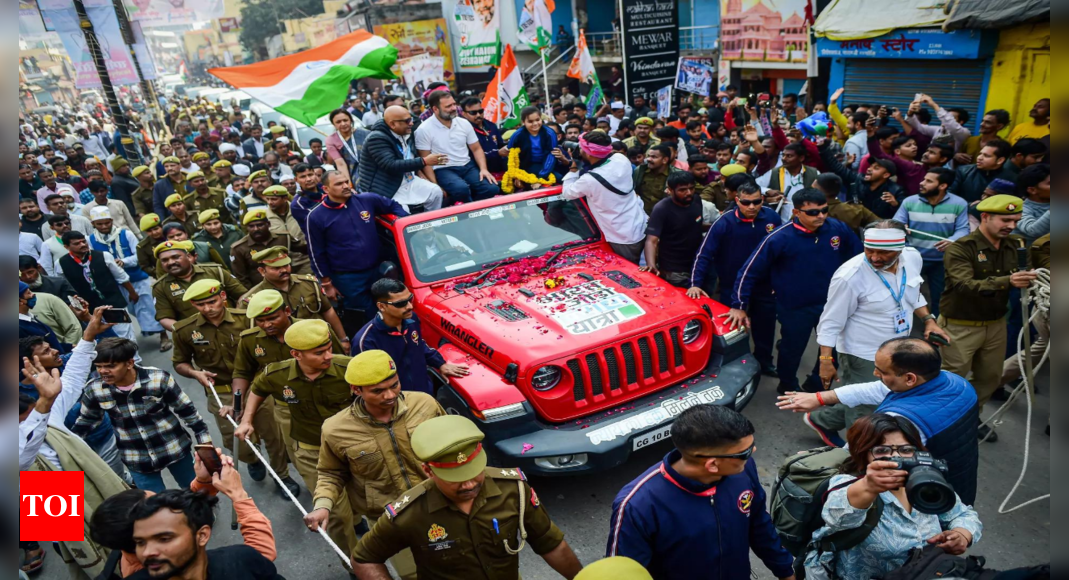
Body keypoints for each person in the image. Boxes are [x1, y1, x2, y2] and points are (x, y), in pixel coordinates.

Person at [350, 415, 584, 579]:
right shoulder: (409, 513)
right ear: (428, 470)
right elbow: (364, 558)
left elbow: (550, 543)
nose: (470, 484)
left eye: (474, 472)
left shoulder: (514, 490)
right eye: (456, 477)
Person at [607, 405, 795, 580]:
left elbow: (759, 524)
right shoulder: (638, 505)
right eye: (744, 452)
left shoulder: (743, 470)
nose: (753, 452)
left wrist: (786, 571)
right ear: (712, 464)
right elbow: (625, 573)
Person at [306, 350, 446, 580]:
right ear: (356, 390)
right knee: (414, 575)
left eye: (394, 385)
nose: (389, 395)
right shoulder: (336, 429)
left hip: (442, 504)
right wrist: (323, 505)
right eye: (378, 391)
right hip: (390, 519)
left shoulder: (425, 404)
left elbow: (453, 446)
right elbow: (331, 473)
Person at [807, 224, 949, 446]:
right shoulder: (849, 276)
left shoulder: (912, 258)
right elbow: (830, 321)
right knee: (867, 408)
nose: (874, 257)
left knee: (882, 395)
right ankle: (858, 456)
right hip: (862, 353)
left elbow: (912, 294)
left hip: (900, 348)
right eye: (869, 250)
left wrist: (929, 320)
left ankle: (822, 419)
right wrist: (825, 359)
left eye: (884, 253)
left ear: (901, 248)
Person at [801, 414, 982, 580]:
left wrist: (962, 535)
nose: (895, 458)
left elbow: (963, 514)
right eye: (881, 451)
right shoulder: (848, 484)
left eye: (905, 450)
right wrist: (868, 486)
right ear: (862, 454)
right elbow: (838, 517)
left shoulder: (925, 481)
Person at [19, 311, 129, 580]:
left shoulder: (47, 415)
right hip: (45, 497)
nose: (36, 420)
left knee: (124, 537)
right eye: (26, 418)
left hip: (90, 483)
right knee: (86, 556)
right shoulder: (30, 427)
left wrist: (90, 334)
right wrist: (43, 406)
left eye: (34, 413)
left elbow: (72, 378)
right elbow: (21, 456)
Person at [237, 319, 360, 556]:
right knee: (333, 512)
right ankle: (354, 563)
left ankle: (355, 520)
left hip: (351, 447)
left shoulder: (349, 369)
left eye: (328, 349)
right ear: (296, 354)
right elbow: (258, 389)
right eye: (319, 353)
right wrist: (246, 420)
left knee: (358, 498)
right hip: (312, 451)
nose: (327, 356)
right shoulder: (277, 374)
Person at [728, 189, 863, 394]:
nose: (821, 216)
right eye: (813, 213)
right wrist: (738, 305)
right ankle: (788, 385)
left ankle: (817, 383)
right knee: (792, 349)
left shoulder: (837, 229)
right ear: (796, 212)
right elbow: (749, 271)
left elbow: (859, 258)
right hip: (795, 307)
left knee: (833, 346)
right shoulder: (779, 238)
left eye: (824, 211)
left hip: (833, 303)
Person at [171, 279, 290, 487]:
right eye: (200, 305)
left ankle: (281, 475)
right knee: (237, 441)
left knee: (273, 435)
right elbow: (179, 363)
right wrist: (195, 373)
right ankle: (253, 459)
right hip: (221, 392)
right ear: (193, 306)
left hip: (258, 387)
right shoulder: (184, 330)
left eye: (212, 302)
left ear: (223, 297)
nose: (208, 309)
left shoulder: (248, 320)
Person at [90, 449, 277, 578]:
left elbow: (177, 511)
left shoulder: (130, 546)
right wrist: (238, 495)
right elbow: (259, 556)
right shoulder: (228, 563)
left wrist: (203, 482)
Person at [939, 195, 1036, 437]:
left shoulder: (1018, 246)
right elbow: (963, 284)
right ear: (985, 216)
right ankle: (939, 422)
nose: (1011, 226)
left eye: (1016, 220)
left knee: (990, 379)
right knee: (950, 379)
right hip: (960, 325)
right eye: (1005, 220)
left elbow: (1029, 275)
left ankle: (970, 418)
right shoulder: (961, 248)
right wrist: (1008, 281)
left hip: (995, 324)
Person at [231, 291, 343, 495]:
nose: (266, 325)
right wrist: (239, 408)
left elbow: (339, 362)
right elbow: (243, 373)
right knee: (296, 449)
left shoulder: (315, 330)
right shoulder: (250, 339)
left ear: (287, 311)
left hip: (324, 399)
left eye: (272, 318)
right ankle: (313, 487)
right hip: (284, 405)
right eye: (261, 320)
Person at [73, 337, 213, 493]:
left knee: (196, 491)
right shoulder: (95, 390)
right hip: (136, 458)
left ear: (129, 363)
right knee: (154, 505)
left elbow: (187, 411)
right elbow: (86, 422)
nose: (103, 371)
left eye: (110, 366)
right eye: (99, 366)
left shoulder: (158, 379)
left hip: (174, 448)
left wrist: (205, 444)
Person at [688, 181, 781, 375]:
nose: (752, 207)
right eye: (746, 202)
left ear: (762, 199)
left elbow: (782, 252)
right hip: (732, 287)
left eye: (756, 202)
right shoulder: (724, 223)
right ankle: (739, 366)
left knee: (766, 327)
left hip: (765, 286)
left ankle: (764, 362)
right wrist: (695, 284)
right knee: (735, 329)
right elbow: (703, 254)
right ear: (737, 200)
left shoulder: (772, 217)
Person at [306, 171, 408, 334]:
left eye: (346, 181)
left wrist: (404, 223)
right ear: (325, 189)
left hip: (377, 270)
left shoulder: (366, 200)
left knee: (390, 308)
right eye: (339, 184)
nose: (346, 186)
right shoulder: (316, 216)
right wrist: (326, 283)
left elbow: (393, 205)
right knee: (365, 317)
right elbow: (316, 252)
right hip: (348, 278)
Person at [124, 489, 283, 580]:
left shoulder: (241, 560)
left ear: (202, 535)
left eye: (164, 539)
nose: (147, 552)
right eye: (140, 542)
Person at [352, 279, 469, 394]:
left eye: (410, 299)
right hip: (397, 403)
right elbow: (370, 385)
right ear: (382, 306)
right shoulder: (365, 341)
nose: (409, 306)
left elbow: (419, 344)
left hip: (425, 393)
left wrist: (440, 364)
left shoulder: (411, 319)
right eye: (400, 303)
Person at [890, 167, 969, 319]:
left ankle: (936, 327)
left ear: (943, 186)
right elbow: (896, 222)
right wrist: (901, 227)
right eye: (924, 179)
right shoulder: (909, 202)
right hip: (912, 259)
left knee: (940, 296)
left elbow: (963, 229)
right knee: (905, 292)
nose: (922, 183)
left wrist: (952, 240)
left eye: (928, 181)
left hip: (941, 260)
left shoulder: (959, 203)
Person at [561, 131, 648, 264]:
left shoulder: (589, 180)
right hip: (640, 224)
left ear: (589, 153)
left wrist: (573, 169)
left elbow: (567, 193)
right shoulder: (621, 159)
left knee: (631, 269)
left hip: (621, 236)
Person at [87, 206, 165, 346]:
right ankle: (145, 330)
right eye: (99, 224)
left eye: (107, 222)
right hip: (115, 284)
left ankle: (163, 335)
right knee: (130, 309)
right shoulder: (91, 240)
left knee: (149, 306)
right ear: (93, 224)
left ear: (111, 221)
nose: (104, 226)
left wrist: (123, 261)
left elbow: (138, 256)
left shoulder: (125, 234)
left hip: (137, 277)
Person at [238, 246, 349, 343]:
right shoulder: (253, 298)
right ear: (262, 271)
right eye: (276, 268)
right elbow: (250, 333)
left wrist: (343, 339)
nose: (284, 270)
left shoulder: (309, 283)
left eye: (286, 265)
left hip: (319, 338)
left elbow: (327, 310)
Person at [414, 91, 500, 203]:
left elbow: (476, 148)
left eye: (454, 104)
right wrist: (435, 185)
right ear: (435, 109)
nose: (454, 108)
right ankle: (470, 214)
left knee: (492, 188)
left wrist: (483, 169)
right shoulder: (423, 130)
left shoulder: (463, 123)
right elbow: (425, 161)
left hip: (467, 166)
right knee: (461, 190)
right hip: (443, 169)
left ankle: (475, 210)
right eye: (448, 106)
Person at [359, 105, 446, 213]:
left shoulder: (405, 132)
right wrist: (424, 161)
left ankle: (431, 224)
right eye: (407, 121)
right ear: (392, 124)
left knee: (435, 192)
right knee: (402, 210)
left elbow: (409, 156)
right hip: (386, 186)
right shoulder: (376, 138)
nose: (411, 123)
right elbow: (390, 165)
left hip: (407, 180)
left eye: (411, 119)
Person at [152, 240, 248, 332]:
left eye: (176, 257)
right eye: (165, 260)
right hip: (198, 337)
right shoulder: (160, 287)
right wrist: (184, 332)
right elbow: (165, 318)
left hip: (233, 326)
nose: (171, 262)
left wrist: (238, 318)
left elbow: (243, 295)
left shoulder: (215, 271)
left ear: (189, 257)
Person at [58, 231, 139, 340]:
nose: (82, 245)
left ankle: (134, 357)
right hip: (89, 308)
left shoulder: (103, 256)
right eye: (77, 243)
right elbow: (64, 287)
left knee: (125, 334)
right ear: (66, 247)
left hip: (114, 302)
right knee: (104, 338)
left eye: (83, 241)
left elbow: (121, 277)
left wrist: (132, 292)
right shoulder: (61, 263)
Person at [640, 172, 704, 287]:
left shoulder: (696, 200)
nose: (688, 193)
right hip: (675, 270)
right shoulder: (662, 209)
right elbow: (651, 241)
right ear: (670, 190)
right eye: (682, 190)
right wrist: (651, 265)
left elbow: (696, 224)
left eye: (691, 188)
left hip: (698, 264)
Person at [818, 139, 904, 219]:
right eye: (870, 166)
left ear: (886, 175)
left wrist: (895, 204)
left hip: (878, 230)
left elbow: (901, 215)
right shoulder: (857, 179)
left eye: (876, 168)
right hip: (853, 224)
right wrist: (823, 149)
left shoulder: (896, 191)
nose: (869, 169)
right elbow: (837, 167)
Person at [230, 209, 312, 288]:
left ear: (268, 224)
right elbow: (241, 278)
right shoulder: (239, 248)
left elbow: (306, 249)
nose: (256, 229)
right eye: (251, 226)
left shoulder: (283, 238)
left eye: (260, 225)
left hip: (289, 284)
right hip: (262, 290)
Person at [954, 140, 1014, 204]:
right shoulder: (963, 171)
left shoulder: (1012, 178)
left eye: (986, 156)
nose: (979, 158)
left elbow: (1013, 205)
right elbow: (950, 195)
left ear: (1000, 160)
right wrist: (969, 205)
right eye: (980, 154)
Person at [460, 97, 508, 174]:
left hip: (500, 168)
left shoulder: (491, 125)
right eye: (473, 113)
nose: (478, 115)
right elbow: (471, 156)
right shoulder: (462, 131)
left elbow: (500, 145)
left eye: (480, 111)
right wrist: (497, 153)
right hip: (478, 171)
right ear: (464, 114)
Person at [633, 144, 684, 215]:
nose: (648, 159)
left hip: (666, 215)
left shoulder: (677, 175)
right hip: (641, 215)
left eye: (653, 157)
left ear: (665, 160)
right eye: (648, 156)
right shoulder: (639, 171)